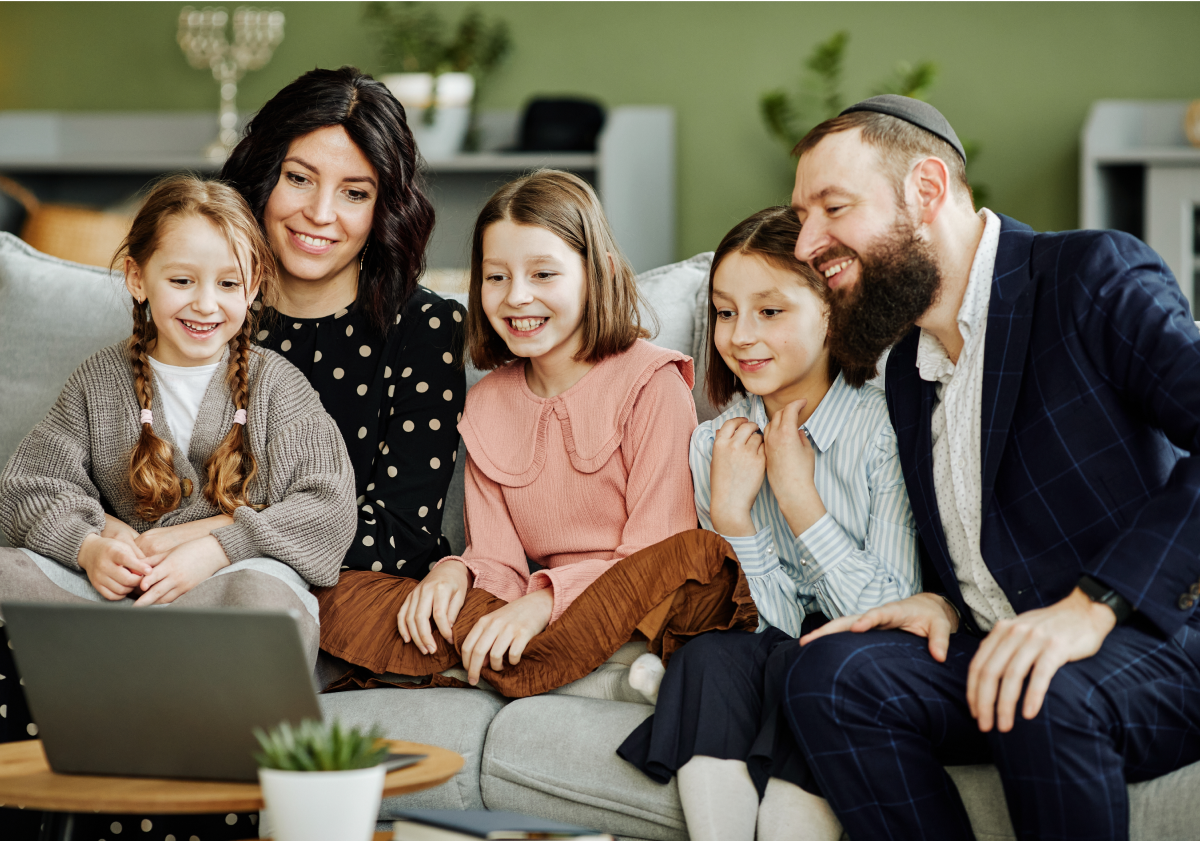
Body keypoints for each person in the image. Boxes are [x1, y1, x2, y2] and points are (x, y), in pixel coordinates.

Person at [782, 95, 1200, 841]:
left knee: (1043, 688)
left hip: (1154, 640)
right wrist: (941, 599)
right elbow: (990, 521)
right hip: (999, 642)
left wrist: (1091, 605)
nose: (807, 241)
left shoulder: (1088, 275)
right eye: (801, 216)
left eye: (832, 207)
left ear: (929, 189)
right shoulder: (909, 364)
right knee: (830, 678)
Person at [0, 175, 358, 841]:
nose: (206, 303)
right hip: (114, 599)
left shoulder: (279, 386)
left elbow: (328, 510)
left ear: (253, 286)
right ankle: (48, 787)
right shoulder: (98, 380)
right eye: (182, 280)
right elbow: (26, 486)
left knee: (261, 600)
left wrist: (216, 548)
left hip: (224, 590)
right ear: (137, 278)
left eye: (228, 283)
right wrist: (90, 545)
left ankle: (208, 803)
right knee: (8, 573)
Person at [316, 169, 758, 697]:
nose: (516, 297)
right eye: (497, 277)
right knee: (339, 597)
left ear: (599, 274)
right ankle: (562, 669)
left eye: (543, 275)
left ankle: (541, 665)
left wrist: (544, 601)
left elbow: (658, 546)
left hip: (635, 591)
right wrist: (453, 574)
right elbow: (497, 561)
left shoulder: (652, 380)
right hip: (534, 608)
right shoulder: (484, 403)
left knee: (696, 562)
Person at [618, 206, 919, 841]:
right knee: (711, 656)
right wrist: (733, 518)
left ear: (832, 311)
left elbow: (892, 609)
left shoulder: (884, 427)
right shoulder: (714, 446)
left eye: (770, 311)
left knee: (810, 661)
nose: (740, 335)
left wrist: (797, 498)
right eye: (725, 312)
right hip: (776, 643)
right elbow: (760, 622)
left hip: (861, 651)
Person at [220, 66, 465, 582]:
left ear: (384, 209)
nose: (319, 213)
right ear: (263, 175)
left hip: (352, 602)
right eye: (299, 178)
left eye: (355, 193)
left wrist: (217, 540)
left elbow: (399, 538)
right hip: (193, 589)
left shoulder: (425, 328)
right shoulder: (209, 310)